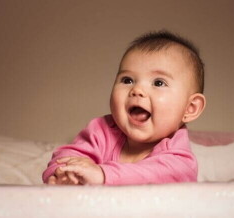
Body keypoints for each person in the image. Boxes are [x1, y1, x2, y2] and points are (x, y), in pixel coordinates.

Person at [42, 30, 206, 185]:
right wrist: (64, 174)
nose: (137, 90)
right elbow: (69, 156)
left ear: (190, 108)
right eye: (127, 80)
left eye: (158, 83)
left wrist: (103, 174)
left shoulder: (180, 159)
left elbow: (158, 175)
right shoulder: (101, 130)